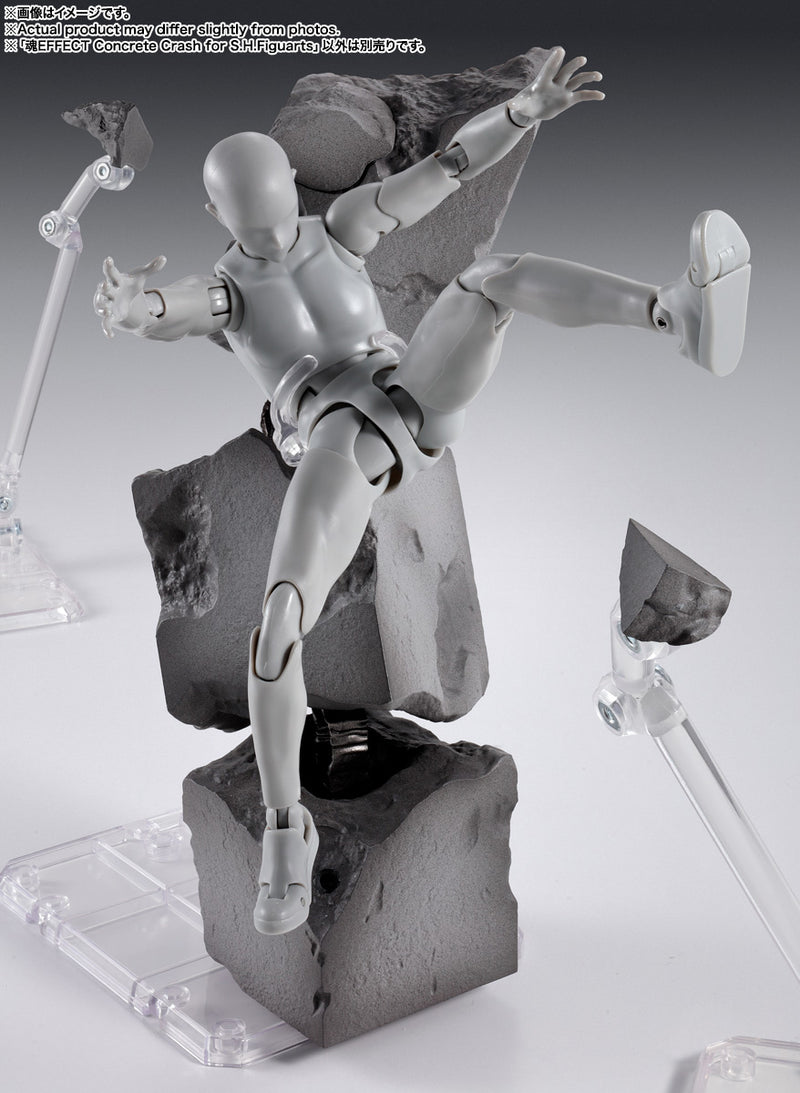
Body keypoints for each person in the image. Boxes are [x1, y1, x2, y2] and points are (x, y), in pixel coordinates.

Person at [94, 47, 750, 935]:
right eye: (248, 215)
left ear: (293, 188)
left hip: (411, 390)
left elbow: (447, 170)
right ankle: (287, 834)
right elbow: (170, 310)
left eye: (278, 203)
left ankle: (675, 312)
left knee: (492, 278)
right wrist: (131, 308)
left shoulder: (342, 227)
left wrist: (521, 113)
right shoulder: (228, 291)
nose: (272, 228)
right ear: (218, 215)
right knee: (279, 625)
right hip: (336, 438)